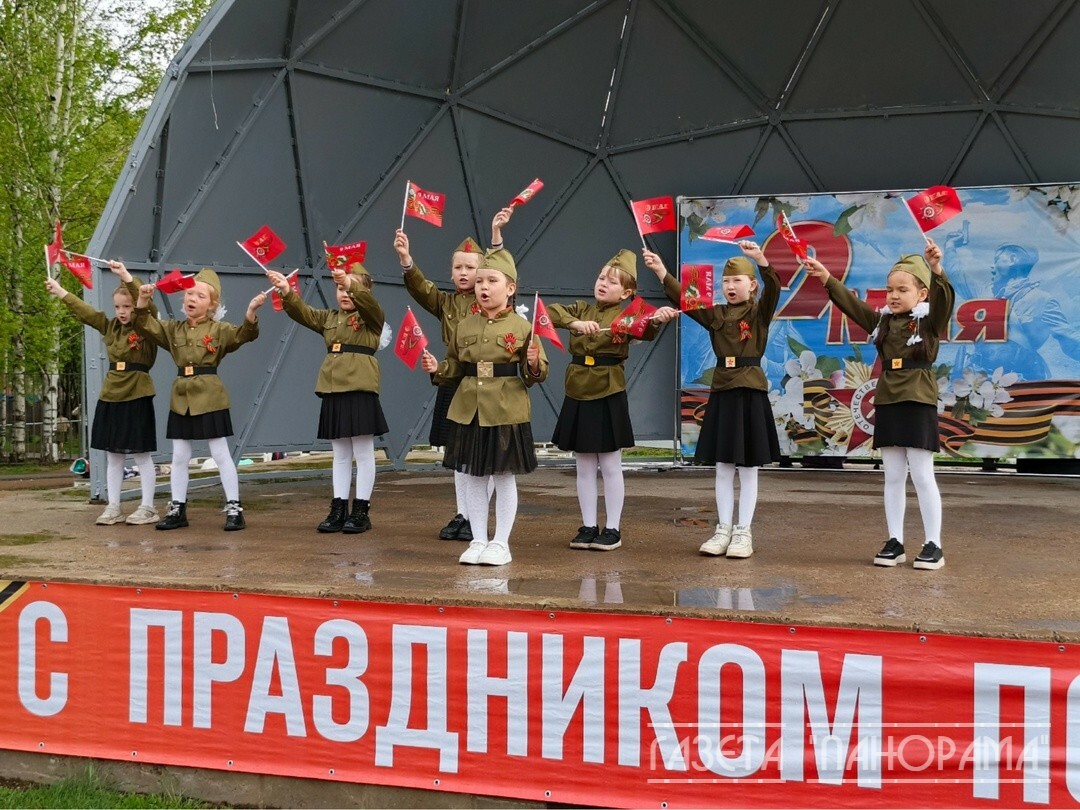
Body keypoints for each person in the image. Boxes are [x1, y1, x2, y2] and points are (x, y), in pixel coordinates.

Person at [804, 239, 954, 570]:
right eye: (890, 290)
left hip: (917, 400)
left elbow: (945, 301)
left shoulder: (929, 322)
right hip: (888, 400)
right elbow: (852, 306)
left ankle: (933, 544)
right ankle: (895, 540)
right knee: (893, 475)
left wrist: (937, 270)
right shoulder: (883, 322)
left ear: (922, 294)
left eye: (903, 289)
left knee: (923, 475)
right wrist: (827, 277)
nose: (894, 296)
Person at [643, 240, 781, 559]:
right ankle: (723, 529)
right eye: (726, 281)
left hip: (749, 391)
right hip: (722, 390)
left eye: (737, 281)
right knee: (723, 466)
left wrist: (760, 258)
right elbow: (686, 299)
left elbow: (774, 284)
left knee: (748, 468)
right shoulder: (716, 313)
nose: (730, 286)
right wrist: (661, 271)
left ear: (752, 285)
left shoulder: (760, 312)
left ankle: (743, 532)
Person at [420, 248, 547, 566]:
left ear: (510, 288)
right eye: (480, 281)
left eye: (492, 280)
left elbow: (536, 375)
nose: (484, 287)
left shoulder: (522, 327)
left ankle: (501, 543)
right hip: (468, 408)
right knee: (473, 475)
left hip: (506, 408)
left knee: (504, 476)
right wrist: (437, 368)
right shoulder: (464, 326)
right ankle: (478, 539)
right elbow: (454, 367)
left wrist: (533, 364)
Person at [547, 249, 679, 550]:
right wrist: (574, 324)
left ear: (627, 292)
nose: (603, 283)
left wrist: (658, 319)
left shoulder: (629, 314)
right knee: (583, 465)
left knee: (609, 465)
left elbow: (647, 329)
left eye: (612, 281)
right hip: (577, 389)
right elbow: (550, 312)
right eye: (601, 277)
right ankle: (588, 526)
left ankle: (612, 529)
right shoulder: (582, 308)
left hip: (608, 391)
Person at [395, 208, 512, 542]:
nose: (464, 273)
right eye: (458, 267)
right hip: (453, 380)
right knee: (457, 454)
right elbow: (421, 290)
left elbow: (503, 272)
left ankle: (479, 517)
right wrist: (406, 259)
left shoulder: (492, 300)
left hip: (486, 384)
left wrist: (496, 238)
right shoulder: (446, 303)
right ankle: (463, 513)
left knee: (484, 454)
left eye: (471, 267)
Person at [133, 268, 265, 531]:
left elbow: (245, 335)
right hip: (181, 395)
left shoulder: (219, 330)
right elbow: (145, 324)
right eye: (189, 293)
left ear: (212, 304)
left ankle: (234, 508)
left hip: (210, 395)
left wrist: (251, 312)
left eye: (200, 295)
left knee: (220, 454)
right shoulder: (173, 330)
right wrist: (142, 302)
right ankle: (177, 508)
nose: (192, 298)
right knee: (180, 456)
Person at [266, 259, 388, 535]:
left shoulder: (371, 317)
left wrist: (349, 283)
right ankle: (338, 507)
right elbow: (304, 314)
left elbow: (370, 305)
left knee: (363, 453)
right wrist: (286, 291)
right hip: (333, 389)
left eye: (352, 287)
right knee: (341, 454)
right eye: (341, 287)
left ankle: (361, 510)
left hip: (359, 388)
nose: (344, 292)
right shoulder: (330, 318)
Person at [46, 261, 160, 525]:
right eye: (118, 306)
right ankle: (114, 506)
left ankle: (148, 506)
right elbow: (86, 313)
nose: (122, 312)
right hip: (112, 393)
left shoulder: (146, 326)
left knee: (142, 453)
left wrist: (125, 276)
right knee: (113, 453)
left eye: (127, 306)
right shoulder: (110, 327)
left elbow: (149, 306)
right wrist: (60, 291)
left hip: (137, 391)